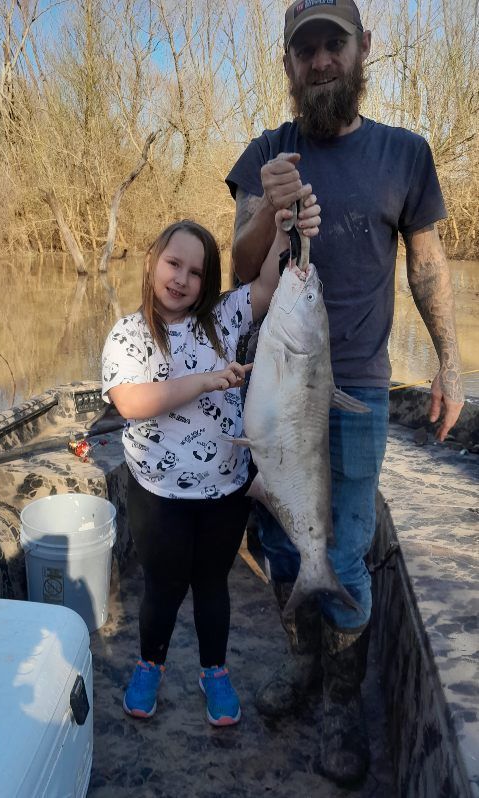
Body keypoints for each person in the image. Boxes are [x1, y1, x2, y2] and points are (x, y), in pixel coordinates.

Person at [226, 0, 464, 786]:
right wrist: (269, 205)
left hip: (355, 387)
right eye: (305, 49)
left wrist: (448, 361)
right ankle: (303, 663)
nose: (320, 60)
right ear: (288, 64)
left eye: (334, 44)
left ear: (363, 49)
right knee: (282, 543)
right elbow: (238, 264)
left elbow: (426, 265)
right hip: (278, 394)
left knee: (348, 551)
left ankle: (338, 700)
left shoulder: (405, 153)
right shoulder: (267, 150)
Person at [101, 209, 320, 727]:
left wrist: (284, 230)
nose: (181, 279)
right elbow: (130, 402)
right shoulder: (128, 334)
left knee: (211, 584)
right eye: (173, 263)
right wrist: (204, 380)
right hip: (157, 493)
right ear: (153, 262)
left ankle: (214, 672)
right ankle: (150, 663)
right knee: (163, 584)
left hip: (225, 488)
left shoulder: (223, 318)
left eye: (196, 272)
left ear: (208, 282)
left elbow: (269, 283)